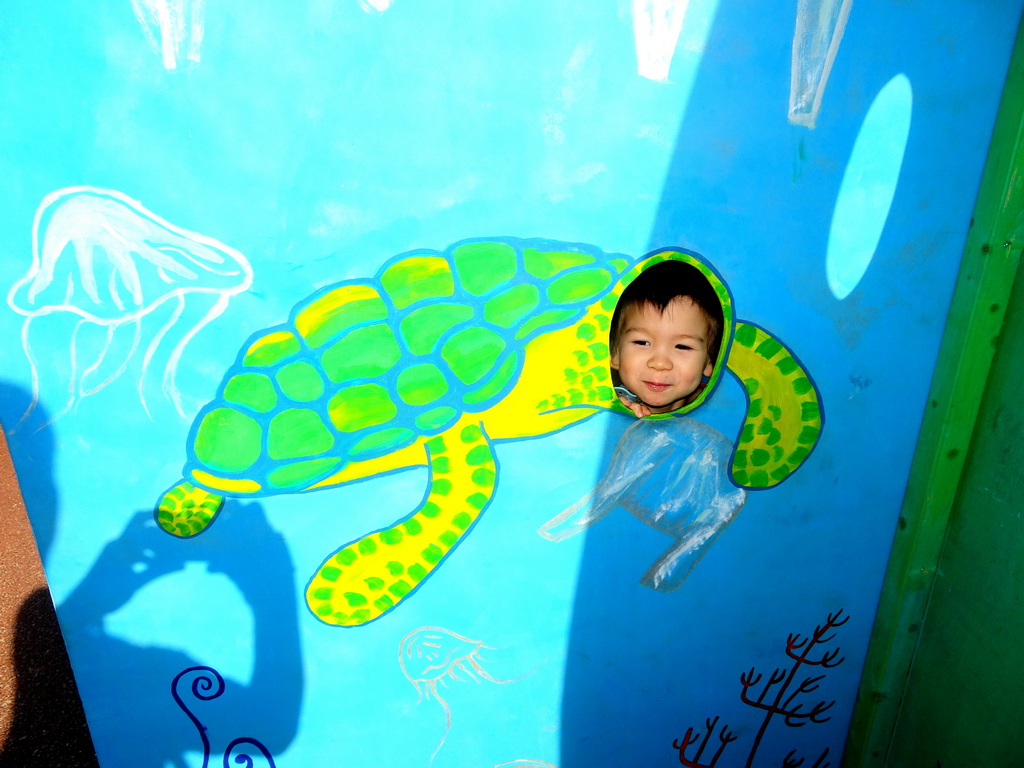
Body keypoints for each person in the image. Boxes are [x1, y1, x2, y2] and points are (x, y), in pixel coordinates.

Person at [609, 259, 724, 418]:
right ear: (615, 353)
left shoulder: (722, 407)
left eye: (682, 346)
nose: (660, 363)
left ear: (708, 362)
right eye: (642, 342)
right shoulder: (606, 408)